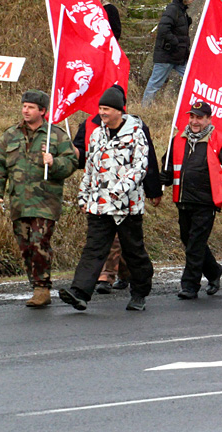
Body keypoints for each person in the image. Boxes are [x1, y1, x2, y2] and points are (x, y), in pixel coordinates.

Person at [59, 87, 155, 311]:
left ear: (119, 111)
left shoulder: (136, 134)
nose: (102, 112)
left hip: (126, 207)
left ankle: (140, 292)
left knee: (133, 251)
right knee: (93, 249)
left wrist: (118, 190)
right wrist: (84, 196)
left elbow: (140, 167)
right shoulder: (96, 135)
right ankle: (80, 292)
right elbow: (90, 168)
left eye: (107, 109)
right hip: (99, 205)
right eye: (100, 108)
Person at [0, 91, 79, 307]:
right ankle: (35, 282)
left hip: (45, 202)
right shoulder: (10, 135)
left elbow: (71, 163)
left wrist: (54, 162)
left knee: (39, 242)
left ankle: (42, 288)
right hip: (19, 201)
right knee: (25, 247)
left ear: (42, 111)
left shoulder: (55, 135)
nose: (25, 110)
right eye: (24, 106)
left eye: (30, 107)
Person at [162, 102, 222, 299]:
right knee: (188, 239)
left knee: (195, 244)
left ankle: (190, 285)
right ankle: (213, 270)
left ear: (209, 119)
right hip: (182, 199)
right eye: (192, 117)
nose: (194, 121)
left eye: (199, 117)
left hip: (206, 202)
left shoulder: (219, 140)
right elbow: (167, 164)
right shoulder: (178, 140)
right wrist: (163, 177)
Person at [142, 0, 195, 104]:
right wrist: (175, 43)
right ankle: (144, 109)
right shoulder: (173, 10)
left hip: (178, 56)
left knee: (193, 79)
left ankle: (197, 106)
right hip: (167, 55)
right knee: (154, 84)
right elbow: (163, 29)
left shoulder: (181, 10)